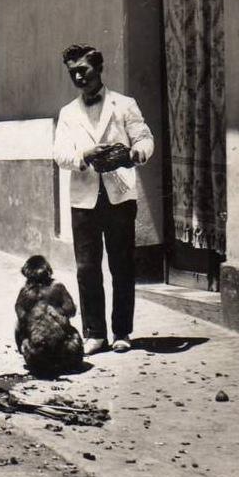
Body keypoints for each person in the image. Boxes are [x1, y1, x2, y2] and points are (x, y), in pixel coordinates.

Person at [52, 44, 154, 355]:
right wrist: (84, 155)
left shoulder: (123, 105)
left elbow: (144, 138)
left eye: (84, 69)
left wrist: (137, 153)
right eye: (73, 72)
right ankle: (94, 333)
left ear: (100, 68)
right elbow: (59, 154)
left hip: (119, 196)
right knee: (87, 267)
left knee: (122, 265)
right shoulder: (68, 113)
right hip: (83, 201)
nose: (79, 76)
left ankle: (122, 331)